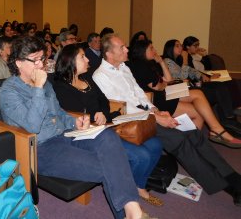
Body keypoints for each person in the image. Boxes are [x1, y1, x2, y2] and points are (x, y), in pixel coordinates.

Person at [0, 36, 153, 219]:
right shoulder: (9, 91)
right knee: (110, 166)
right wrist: (38, 88)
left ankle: (132, 211)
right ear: (18, 63)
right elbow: (33, 125)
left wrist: (75, 122)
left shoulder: (45, 84)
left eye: (43, 59)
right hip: (41, 149)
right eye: (36, 60)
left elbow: (59, 112)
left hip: (65, 135)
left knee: (107, 137)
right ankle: (132, 212)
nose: (41, 65)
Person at [93, 33, 241, 206]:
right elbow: (121, 108)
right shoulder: (100, 75)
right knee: (179, 139)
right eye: (122, 47)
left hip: (146, 114)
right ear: (109, 54)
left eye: (126, 46)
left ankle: (233, 178)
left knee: (193, 133)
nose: (127, 49)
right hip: (129, 121)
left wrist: (157, 111)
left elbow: (140, 95)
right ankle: (228, 186)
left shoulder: (124, 67)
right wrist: (156, 118)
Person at [54, 44, 163, 206]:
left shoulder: (87, 78)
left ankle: (137, 185)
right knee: (141, 156)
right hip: (86, 132)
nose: (88, 59)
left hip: (107, 123)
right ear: (70, 61)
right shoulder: (60, 86)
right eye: (82, 57)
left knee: (155, 144)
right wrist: (93, 116)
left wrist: (102, 113)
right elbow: (71, 114)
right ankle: (130, 196)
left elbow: (104, 100)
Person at [128, 39, 241, 148]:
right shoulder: (139, 65)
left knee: (198, 94)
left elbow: (169, 79)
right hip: (156, 100)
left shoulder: (150, 64)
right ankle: (196, 142)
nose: (155, 50)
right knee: (198, 111)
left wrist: (161, 62)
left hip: (164, 94)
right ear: (143, 51)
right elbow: (157, 86)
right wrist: (165, 84)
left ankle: (212, 132)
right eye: (151, 48)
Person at [163, 39, 241, 137]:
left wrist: (202, 76)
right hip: (182, 89)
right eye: (177, 46)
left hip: (192, 85)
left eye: (180, 45)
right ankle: (227, 121)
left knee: (220, 85)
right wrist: (186, 62)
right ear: (170, 48)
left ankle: (229, 117)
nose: (180, 47)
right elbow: (180, 77)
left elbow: (192, 71)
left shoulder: (178, 59)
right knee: (216, 92)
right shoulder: (167, 61)